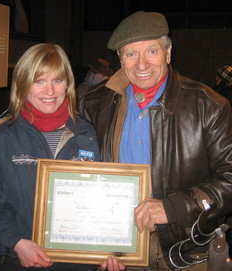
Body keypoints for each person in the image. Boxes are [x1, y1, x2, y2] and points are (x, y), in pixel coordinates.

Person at [77, 11, 232, 271]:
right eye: (131, 54)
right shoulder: (95, 103)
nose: (141, 64)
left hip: (186, 250)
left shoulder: (208, 106)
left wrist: (173, 208)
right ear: (120, 59)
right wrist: (4, 124)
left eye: (151, 51)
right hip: (119, 248)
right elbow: (53, 122)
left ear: (168, 54)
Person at [0, 43, 101, 271]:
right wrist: (15, 243)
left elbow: (103, 202)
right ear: (23, 85)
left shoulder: (88, 134)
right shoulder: (1, 139)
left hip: (78, 264)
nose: (50, 91)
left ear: (68, 84)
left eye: (57, 80)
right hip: (19, 264)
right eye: (39, 81)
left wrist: (111, 249)